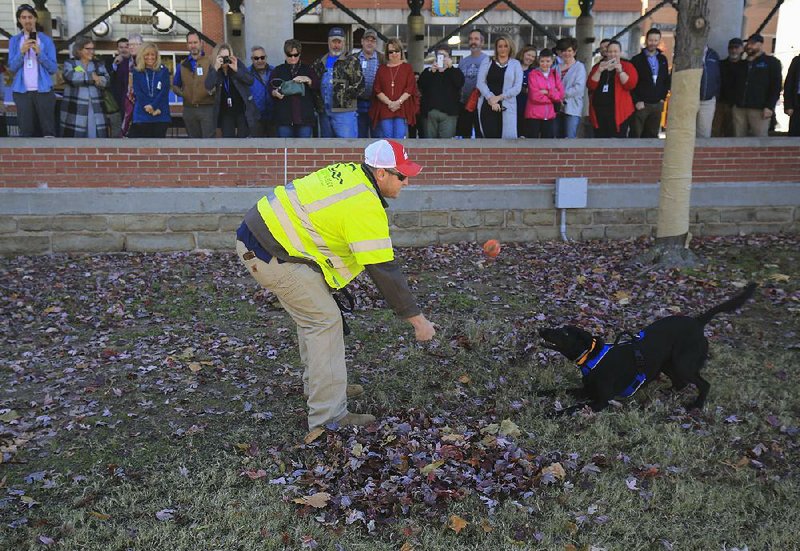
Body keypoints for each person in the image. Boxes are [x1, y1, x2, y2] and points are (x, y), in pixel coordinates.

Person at [235, 139, 436, 433]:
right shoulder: (364, 203)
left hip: (263, 239)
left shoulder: (350, 173)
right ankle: (328, 418)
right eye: (402, 175)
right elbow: (384, 271)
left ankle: (320, 387)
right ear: (381, 173)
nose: (406, 182)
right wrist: (419, 323)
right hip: (270, 252)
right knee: (324, 322)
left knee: (314, 319)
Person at [7, 4, 58, 137]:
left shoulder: (46, 40)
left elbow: (53, 68)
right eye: (23, 17)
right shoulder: (14, 41)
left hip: (44, 90)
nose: (27, 20)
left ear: (35, 19)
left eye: (30, 17)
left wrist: (40, 53)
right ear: (19, 20)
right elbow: (12, 67)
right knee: (26, 130)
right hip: (22, 91)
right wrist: (22, 52)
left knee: (48, 129)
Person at [312, 27, 364, 138]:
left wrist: (342, 96)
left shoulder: (352, 61)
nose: (336, 45)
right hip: (324, 112)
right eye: (333, 42)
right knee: (326, 149)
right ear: (328, 42)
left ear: (344, 43)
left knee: (347, 147)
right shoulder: (320, 62)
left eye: (339, 42)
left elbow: (360, 86)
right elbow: (314, 85)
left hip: (344, 112)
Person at [732, 33, 782, 138]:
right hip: (739, 108)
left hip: (759, 109)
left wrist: (769, 106)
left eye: (753, 44)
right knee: (738, 138)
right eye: (748, 44)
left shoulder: (771, 62)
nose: (749, 46)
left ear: (761, 45)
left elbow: (776, 86)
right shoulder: (742, 64)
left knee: (759, 140)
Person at [205, 43, 259, 138]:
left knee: (243, 139)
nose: (225, 60)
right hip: (226, 112)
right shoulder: (215, 68)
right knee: (228, 139)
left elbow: (250, 80)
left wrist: (237, 70)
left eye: (227, 57)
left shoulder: (236, 63)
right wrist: (215, 68)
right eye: (222, 57)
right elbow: (208, 86)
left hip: (241, 110)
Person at [587, 39, 638, 138]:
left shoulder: (627, 66)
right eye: (610, 51)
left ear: (620, 52)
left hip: (619, 111)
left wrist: (620, 72)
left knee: (617, 141)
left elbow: (630, 85)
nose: (612, 54)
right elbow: (590, 85)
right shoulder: (598, 66)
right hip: (599, 112)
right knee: (600, 140)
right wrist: (599, 71)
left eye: (615, 51)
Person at [476, 34, 523, 139]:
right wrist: (491, 98)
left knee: (506, 140)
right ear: (496, 48)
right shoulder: (487, 61)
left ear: (510, 47)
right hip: (488, 105)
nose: (503, 49)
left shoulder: (515, 64)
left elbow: (517, 87)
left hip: (507, 106)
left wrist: (499, 97)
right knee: (489, 138)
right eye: (500, 46)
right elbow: (480, 82)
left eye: (505, 46)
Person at [60, 36, 108, 138]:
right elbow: (72, 78)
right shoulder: (70, 63)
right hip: (76, 108)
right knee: (76, 139)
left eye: (92, 48)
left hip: (95, 108)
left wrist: (86, 78)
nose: (91, 51)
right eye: (88, 49)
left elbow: (106, 80)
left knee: (95, 137)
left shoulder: (98, 64)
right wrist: (92, 77)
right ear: (79, 49)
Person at [369, 38, 418, 139]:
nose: (394, 54)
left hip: (401, 109)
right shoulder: (381, 69)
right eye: (391, 51)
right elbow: (377, 89)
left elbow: (410, 88)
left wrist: (398, 102)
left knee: (399, 137)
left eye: (397, 51)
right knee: (387, 138)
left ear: (401, 52)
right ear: (387, 53)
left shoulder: (407, 68)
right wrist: (390, 103)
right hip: (385, 109)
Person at [271, 39, 319, 138]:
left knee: (303, 150)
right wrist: (275, 93)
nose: (293, 58)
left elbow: (317, 85)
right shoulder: (278, 70)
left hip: (304, 118)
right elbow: (270, 88)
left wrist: (308, 80)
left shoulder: (308, 69)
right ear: (285, 54)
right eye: (289, 55)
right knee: (285, 150)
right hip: (284, 118)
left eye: (295, 55)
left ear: (300, 54)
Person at [172, 32, 215, 138]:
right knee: (193, 143)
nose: (193, 45)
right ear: (187, 45)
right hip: (189, 110)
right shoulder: (181, 65)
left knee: (209, 143)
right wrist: (183, 94)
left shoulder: (211, 62)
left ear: (201, 43)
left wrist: (211, 91)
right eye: (190, 43)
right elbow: (175, 85)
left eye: (195, 42)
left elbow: (217, 82)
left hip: (207, 108)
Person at [630, 28, 670, 138]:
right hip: (641, 104)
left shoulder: (663, 59)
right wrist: (636, 100)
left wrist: (663, 98)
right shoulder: (636, 60)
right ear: (646, 40)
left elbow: (666, 80)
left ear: (659, 41)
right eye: (651, 40)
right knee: (636, 135)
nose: (653, 43)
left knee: (652, 136)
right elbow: (631, 83)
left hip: (657, 104)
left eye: (656, 40)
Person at [417, 45, 464, 138]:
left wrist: (451, 68)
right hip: (430, 113)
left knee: (446, 145)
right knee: (429, 144)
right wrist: (431, 71)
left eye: (444, 56)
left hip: (449, 114)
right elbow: (420, 85)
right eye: (439, 56)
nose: (442, 59)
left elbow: (460, 83)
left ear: (449, 57)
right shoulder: (429, 71)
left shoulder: (455, 71)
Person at [129, 42, 171, 138]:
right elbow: (138, 92)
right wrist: (149, 108)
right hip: (142, 116)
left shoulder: (163, 71)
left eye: (153, 54)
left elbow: (164, 91)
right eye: (147, 54)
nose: (150, 57)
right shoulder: (136, 72)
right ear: (142, 56)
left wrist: (153, 106)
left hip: (160, 115)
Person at [523, 48, 564, 139]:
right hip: (534, 115)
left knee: (547, 145)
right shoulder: (533, 74)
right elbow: (534, 96)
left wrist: (547, 92)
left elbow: (560, 94)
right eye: (542, 61)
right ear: (538, 61)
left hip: (549, 115)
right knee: (533, 144)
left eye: (548, 61)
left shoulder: (555, 74)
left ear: (552, 61)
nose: (545, 64)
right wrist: (552, 98)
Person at [457, 28, 489, 138]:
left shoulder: (488, 60)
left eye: (476, 39)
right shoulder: (463, 61)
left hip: (481, 104)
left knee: (481, 135)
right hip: (465, 104)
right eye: (471, 39)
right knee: (464, 136)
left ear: (482, 42)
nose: (473, 41)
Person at [712, 37, 745, 137]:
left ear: (741, 49)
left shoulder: (746, 65)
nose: (734, 50)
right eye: (731, 48)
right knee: (716, 131)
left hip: (738, 105)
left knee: (734, 132)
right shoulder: (721, 64)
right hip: (720, 103)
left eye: (736, 47)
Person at [556, 37, 587, 139]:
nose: (566, 53)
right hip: (556, 108)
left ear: (574, 52)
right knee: (556, 137)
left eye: (569, 50)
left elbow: (578, 88)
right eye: (564, 51)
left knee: (570, 137)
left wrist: (560, 95)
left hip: (572, 108)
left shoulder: (579, 67)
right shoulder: (555, 68)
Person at [357, 29, 384, 138]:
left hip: (376, 104)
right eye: (367, 40)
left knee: (377, 138)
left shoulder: (382, 59)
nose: (369, 43)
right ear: (362, 41)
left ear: (376, 44)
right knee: (360, 138)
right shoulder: (354, 58)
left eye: (372, 41)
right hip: (358, 103)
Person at [247, 45, 275, 137]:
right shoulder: (247, 74)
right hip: (255, 118)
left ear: (266, 58)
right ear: (252, 59)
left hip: (273, 116)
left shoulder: (274, 71)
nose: (260, 61)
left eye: (262, 57)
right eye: (256, 58)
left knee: (274, 147)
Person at [104, 38, 130, 137]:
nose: (123, 50)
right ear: (117, 49)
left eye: (126, 47)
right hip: (116, 104)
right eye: (121, 47)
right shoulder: (110, 62)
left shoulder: (135, 62)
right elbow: (107, 80)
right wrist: (115, 65)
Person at [696, 46, 720, 138]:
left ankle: (701, 153)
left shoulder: (713, 54)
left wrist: (715, 95)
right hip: (690, 99)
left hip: (708, 101)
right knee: (687, 132)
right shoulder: (689, 51)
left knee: (704, 133)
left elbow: (718, 77)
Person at [515, 45, 537, 136]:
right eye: (528, 55)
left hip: (527, 106)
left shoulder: (534, 72)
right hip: (513, 103)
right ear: (523, 54)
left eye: (533, 56)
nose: (530, 58)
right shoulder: (513, 67)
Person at [785, 52, 800, 136]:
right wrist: (788, 105)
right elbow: (789, 83)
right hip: (797, 102)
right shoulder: (797, 61)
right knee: (795, 134)